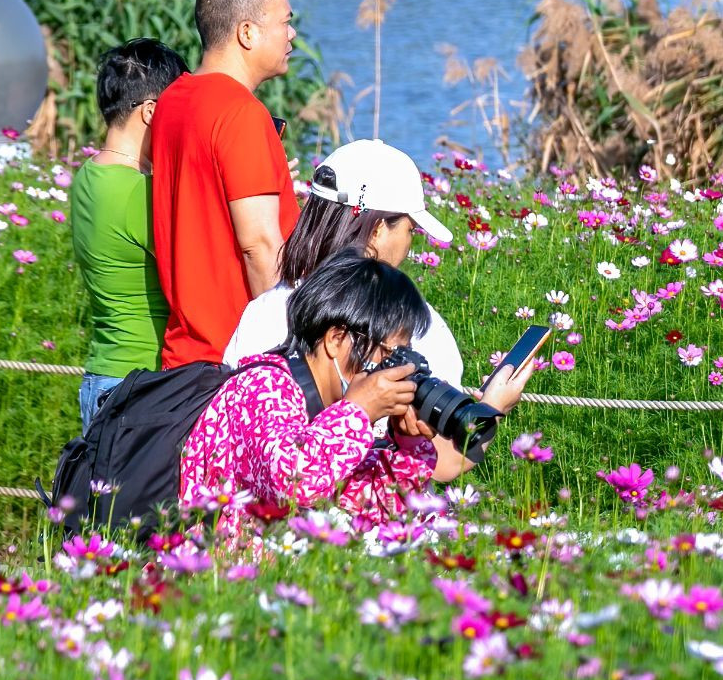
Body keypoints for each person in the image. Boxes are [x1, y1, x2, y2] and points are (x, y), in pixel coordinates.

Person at [177, 253, 442, 541]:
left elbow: (376, 509)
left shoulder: (330, 415)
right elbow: (294, 483)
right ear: (336, 339)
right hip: (215, 574)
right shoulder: (264, 387)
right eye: (389, 354)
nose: (392, 369)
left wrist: (409, 444)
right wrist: (359, 411)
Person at [151, 0, 301, 368]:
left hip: (183, 355)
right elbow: (260, 246)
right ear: (247, 33)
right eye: (285, 22)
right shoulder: (240, 113)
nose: (292, 35)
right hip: (235, 360)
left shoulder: (172, 101)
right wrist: (284, 353)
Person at [223, 138, 464, 385]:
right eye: (410, 230)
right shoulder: (415, 328)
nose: (409, 242)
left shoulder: (264, 312)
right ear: (378, 230)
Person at [67, 38, 183, 431]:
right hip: (141, 382)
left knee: (103, 495)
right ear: (152, 112)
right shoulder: (141, 194)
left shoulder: (88, 176)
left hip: (102, 376)